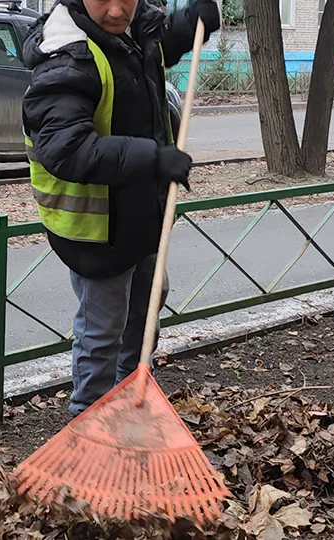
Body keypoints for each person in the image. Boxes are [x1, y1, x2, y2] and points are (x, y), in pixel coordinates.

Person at [21, 0, 220, 417]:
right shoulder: (67, 59)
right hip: (96, 232)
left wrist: (189, 22)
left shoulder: (133, 30)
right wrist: (154, 158)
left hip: (138, 214)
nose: (117, 10)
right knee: (103, 331)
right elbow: (67, 149)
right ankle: (88, 428)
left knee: (148, 302)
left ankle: (130, 401)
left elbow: (155, 48)